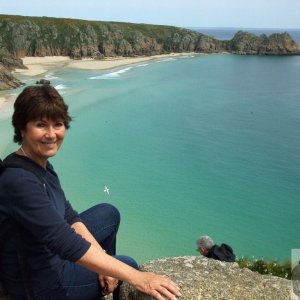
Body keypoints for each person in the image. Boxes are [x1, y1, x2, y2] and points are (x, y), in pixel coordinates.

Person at [0, 85, 181, 300]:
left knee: (108, 213)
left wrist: (103, 264)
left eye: (57, 124)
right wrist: (137, 277)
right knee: (129, 265)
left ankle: (105, 280)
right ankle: (107, 284)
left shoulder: (40, 164)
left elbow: (68, 216)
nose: (51, 134)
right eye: (41, 125)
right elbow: (65, 243)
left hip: (49, 255)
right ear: (22, 129)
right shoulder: (19, 180)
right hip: (41, 284)